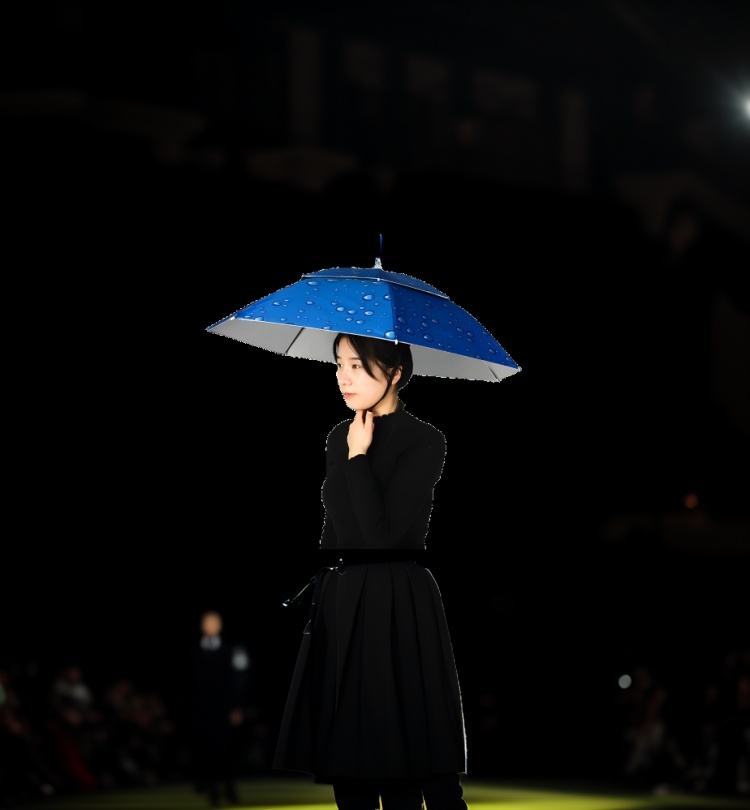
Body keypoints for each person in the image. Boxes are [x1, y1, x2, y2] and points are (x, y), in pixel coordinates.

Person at [273, 333, 468, 810]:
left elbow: (383, 537)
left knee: (405, 747)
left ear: (396, 373)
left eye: (357, 365)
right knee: (346, 752)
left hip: (397, 594)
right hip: (342, 595)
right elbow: (334, 529)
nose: (343, 376)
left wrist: (359, 458)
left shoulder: (425, 440)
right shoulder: (337, 435)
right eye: (339, 364)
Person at [190, 610, 250, 808]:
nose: (211, 626)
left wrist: (237, 708)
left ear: (220, 626)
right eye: (207, 622)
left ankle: (229, 788)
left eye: (214, 622)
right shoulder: (194, 652)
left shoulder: (230, 651)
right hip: (201, 711)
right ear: (202, 626)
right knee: (205, 751)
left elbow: (238, 681)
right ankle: (212, 790)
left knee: (226, 751)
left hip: (225, 710)